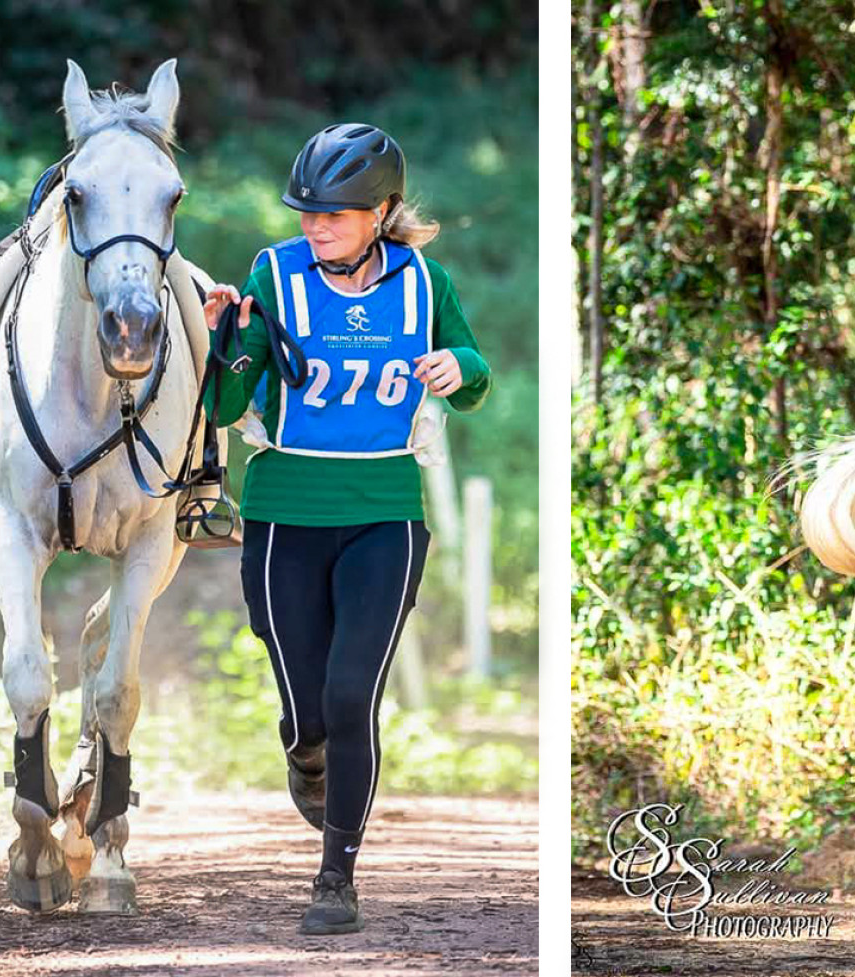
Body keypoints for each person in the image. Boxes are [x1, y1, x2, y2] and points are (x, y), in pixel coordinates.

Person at [201, 123, 491, 932]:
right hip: (282, 513)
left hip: (385, 514)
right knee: (307, 710)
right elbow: (224, 408)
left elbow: (474, 376)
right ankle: (304, 752)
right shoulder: (273, 273)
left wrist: (457, 368)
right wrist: (227, 338)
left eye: (335, 213)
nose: (316, 226)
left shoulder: (425, 282)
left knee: (352, 691)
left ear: (382, 211)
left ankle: (336, 877)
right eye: (307, 212)